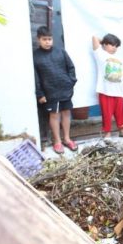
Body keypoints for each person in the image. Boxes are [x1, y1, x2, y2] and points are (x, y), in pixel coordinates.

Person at [33, 26, 78, 154]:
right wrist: (40, 93)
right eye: (44, 39)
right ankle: (57, 142)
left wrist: (71, 81)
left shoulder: (61, 52)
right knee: (54, 115)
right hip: (50, 92)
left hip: (65, 89)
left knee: (66, 113)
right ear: (39, 40)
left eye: (50, 39)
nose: (47, 42)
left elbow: (71, 67)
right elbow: (35, 77)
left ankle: (67, 139)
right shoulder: (35, 56)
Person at [92, 33, 123, 139]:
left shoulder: (120, 58)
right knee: (107, 113)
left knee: (120, 113)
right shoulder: (100, 55)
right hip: (106, 90)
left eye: (116, 46)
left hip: (119, 90)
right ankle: (107, 134)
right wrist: (104, 42)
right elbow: (94, 38)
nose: (114, 48)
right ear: (105, 45)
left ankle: (122, 131)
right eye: (112, 45)